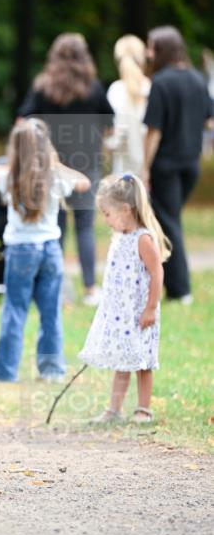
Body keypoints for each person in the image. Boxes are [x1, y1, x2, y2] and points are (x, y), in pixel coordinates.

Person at [0, 119, 90, 383]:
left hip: (20, 251)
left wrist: (16, 162)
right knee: (51, 312)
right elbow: (83, 182)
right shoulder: (55, 177)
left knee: (15, 311)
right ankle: (52, 370)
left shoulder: (9, 176)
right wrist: (55, 163)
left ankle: (4, 372)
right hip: (51, 249)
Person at [17, 32, 114, 306]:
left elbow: (23, 120)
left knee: (53, 225)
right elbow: (110, 124)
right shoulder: (94, 88)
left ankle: (55, 287)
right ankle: (90, 289)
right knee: (84, 226)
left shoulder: (43, 87)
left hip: (50, 166)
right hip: (87, 165)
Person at [80, 173, 170, 424]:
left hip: (141, 312)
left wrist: (151, 308)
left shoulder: (142, 239)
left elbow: (156, 272)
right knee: (123, 359)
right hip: (122, 313)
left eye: (107, 214)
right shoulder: (120, 238)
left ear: (125, 210)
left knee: (142, 362)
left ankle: (143, 408)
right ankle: (114, 409)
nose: (105, 219)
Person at [143, 26, 214, 302]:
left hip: (166, 166)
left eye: (151, 47)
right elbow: (209, 119)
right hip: (191, 165)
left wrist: (144, 166)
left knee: (169, 224)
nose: (149, 53)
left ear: (162, 49)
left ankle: (181, 289)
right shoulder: (197, 79)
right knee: (168, 221)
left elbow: (154, 131)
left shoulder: (161, 83)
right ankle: (171, 285)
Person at [105, 35, 150, 176]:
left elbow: (113, 135)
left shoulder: (116, 90)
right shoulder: (152, 88)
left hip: (122, 168)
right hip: (149, 167)